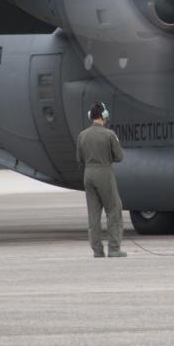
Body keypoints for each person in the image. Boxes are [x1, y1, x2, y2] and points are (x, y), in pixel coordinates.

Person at [76, 101, 126, 258]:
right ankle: (114, 248)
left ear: (91, 116)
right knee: (114, 209)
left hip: (88, 174)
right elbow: (119, 157)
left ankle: (97, 250)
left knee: (93, 214)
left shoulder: (82, 135)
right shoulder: (109, 135)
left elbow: (79, 158)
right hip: (104, 172)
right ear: (104, 116)